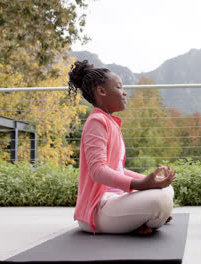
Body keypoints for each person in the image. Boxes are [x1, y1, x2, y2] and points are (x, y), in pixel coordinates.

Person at [69, 60, 176, 235]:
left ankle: (141, 219)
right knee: (161, 200)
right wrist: (140, 184)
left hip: (115, 200)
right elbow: (97, 171)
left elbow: (117, 170)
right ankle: (147, 218)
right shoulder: (96, 122)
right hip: (98, 209)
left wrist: (150, 182)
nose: (124, 92)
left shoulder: (111, 123)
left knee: (165, 189)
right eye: (119, 87)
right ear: (101, 91)